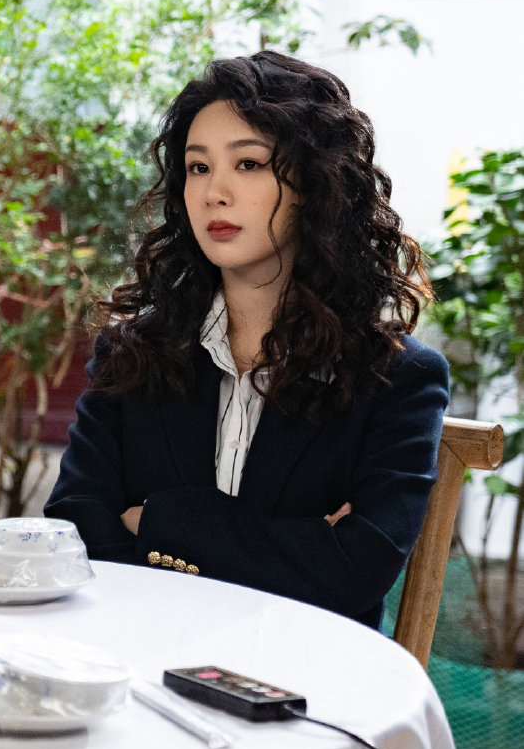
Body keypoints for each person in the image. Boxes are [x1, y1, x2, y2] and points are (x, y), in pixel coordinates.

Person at [45, 51, 448, 628]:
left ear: (313, 183)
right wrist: (294, 545)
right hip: (139, 648)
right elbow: (76, 529)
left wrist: (158, 521)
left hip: (302, 669)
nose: (215, 192)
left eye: (249, 163)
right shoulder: (132, 352)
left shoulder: (395, 377)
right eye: (198, 167)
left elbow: (354, 572)